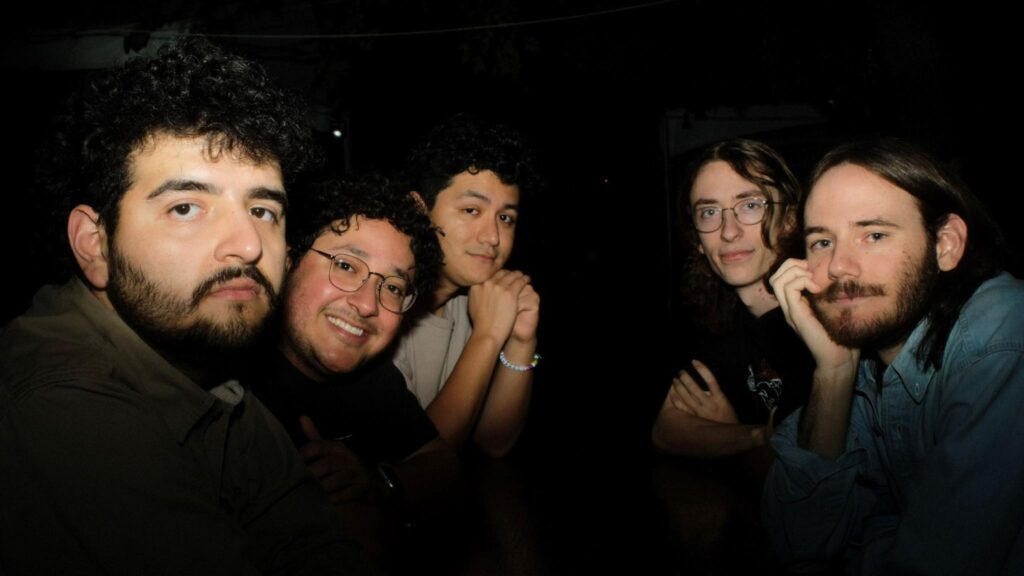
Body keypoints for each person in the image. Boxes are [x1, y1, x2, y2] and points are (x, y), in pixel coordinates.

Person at [0, 38, 369, 574]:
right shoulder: (60, 404)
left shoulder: (204, 364)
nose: (248, 245)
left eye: (263, 210)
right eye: (186, 207)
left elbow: (312, 543)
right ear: (95, 245)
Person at [766, 138, 1024, 574]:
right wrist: (835, 370)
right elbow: (801, 537)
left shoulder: (1000, 334)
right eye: (822, 241)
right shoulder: (868, 359)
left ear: (945, 245)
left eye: (874, 235)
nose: (839, 266)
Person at [245, 175, 462, 569]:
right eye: (346, 265)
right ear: (289, 260)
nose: (367, 304)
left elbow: (444, 467)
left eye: (393, 287)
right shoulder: (226, 381)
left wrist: (377, 482)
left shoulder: (371, 376)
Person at [649, 139, 813, 572]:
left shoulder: (825, 326)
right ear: (697, 241)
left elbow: (808, 491)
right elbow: (667, 429)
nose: (728, 231)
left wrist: (724, 436)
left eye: (750, 205)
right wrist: (755, 437)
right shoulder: (725, 328)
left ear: (790, 219)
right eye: (709, 212)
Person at [394, 113, 541, 457]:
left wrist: (521, 341)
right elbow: (422, 461)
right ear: (419, 210)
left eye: (505, 218)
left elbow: (493, 444)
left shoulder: (477, 303)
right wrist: (487, 335)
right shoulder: (377, 303)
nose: (493, 237)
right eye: (472, 210)